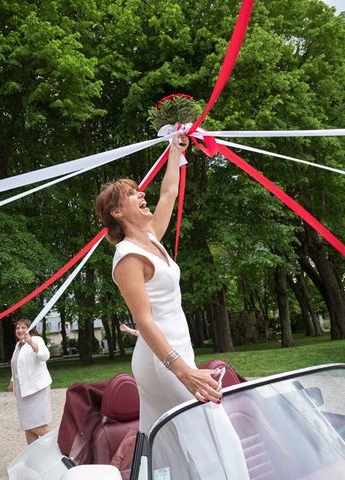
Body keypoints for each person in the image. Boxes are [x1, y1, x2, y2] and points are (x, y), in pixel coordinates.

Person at [95, 133, 249, 479]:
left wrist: (175, 151)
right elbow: (144, 321)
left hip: (177, 353)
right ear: (117, 212)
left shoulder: (150, 239)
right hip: (162, 361)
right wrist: (184, 371)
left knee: (174, 446)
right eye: (133, 194)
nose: (142, 194)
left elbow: (169, 193)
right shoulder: (127, 257)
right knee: (211, 438)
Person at [8, 319, 52, 445]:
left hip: (37, 388)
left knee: (37, 425)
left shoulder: (37, 340)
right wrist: (12, 381)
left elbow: (44, 356)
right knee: (28, 426)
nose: (20, 330)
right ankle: (34, 458)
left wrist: (31, 342)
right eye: (17, 328)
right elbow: (17, 366)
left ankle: (62, 443)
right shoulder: (18, 345)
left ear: (29, 329)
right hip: (22, 390)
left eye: (23, 327)